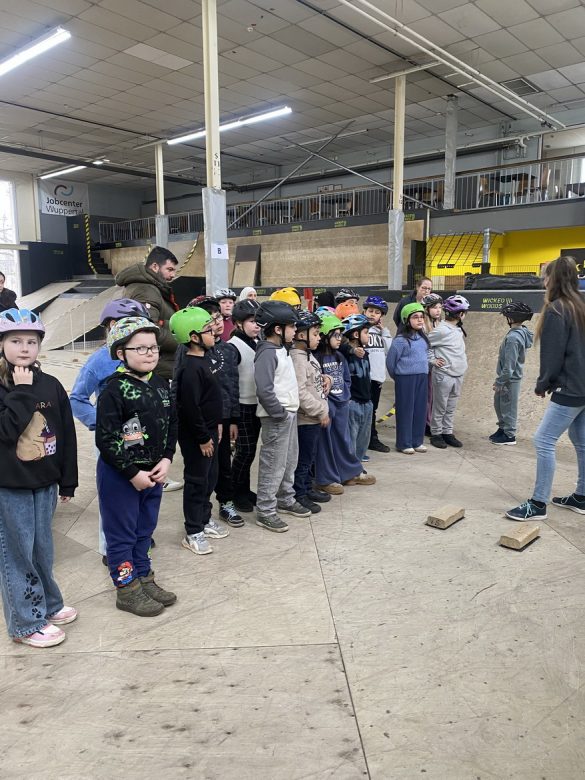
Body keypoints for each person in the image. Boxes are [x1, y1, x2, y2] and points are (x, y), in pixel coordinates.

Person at [0, 308, 78, 648]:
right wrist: (20, 392)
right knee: (17, 554)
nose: (24, 348)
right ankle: (26, 622)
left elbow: (65, 434)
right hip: (10, 485)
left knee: (43, 550)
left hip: (44, 482)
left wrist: (68, 479)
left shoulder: (51, 384)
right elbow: (5, 432)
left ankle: (48, 604)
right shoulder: (7, 388)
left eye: (31, 341)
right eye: (15, 341)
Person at [96, 316, 177, 616]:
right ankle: (127, 589)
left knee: (145, 529)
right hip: (121, 476)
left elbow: (172, 423)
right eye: (140, 348)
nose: (150, 353)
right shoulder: (113, 390)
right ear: (121, 353)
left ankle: (144, 576)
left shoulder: (159, 383)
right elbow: (106, 438)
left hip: (154, 472)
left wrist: (167, 459)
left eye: (153, 347)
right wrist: (132, 473)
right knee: (122, 534)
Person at [70, 298, 152, 563]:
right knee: (114, 491)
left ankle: (138, 534)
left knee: (140, 483)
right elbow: (77, 398)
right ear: (112, 326)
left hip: (138, 433)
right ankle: (110, 547)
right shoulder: (98, 361)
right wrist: (101, 423)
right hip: (110, 436)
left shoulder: (140, 357)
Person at [506, 256, 585, 521]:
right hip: (583, 386)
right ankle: (582, 496)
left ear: (555, 279)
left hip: (570, 388)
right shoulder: (581, 304)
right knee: (581, 441)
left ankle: (538, 504)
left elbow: (552, 355)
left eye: (545, 276)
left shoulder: (557, 309)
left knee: (543, 440)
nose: (543, 280)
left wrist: (543, 384)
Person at [173, 296, 241, 527]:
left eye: (218, 319)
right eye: (209, 323)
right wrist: (200, 434)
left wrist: (231, 419)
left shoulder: (226, 351)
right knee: (199, 475)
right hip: (199, 427)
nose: (216, 325)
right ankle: (196, 524)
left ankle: (215, 510)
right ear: (194, 335)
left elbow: (231, 386)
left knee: (219, 469)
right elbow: (186, 400)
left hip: (218, 423)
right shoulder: (190, 361)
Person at [171, 307, 228, 553]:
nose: (214, 331)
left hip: (210, 431)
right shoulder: (190, 369)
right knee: (196, 480)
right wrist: (204, 437)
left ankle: (204, 520)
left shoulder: (203, 360)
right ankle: (193, 530)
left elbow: (209, 400)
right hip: (197, 435)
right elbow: (190, 409)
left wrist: (217, 426)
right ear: (193, 337)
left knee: (210, 477)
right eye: (207, 329)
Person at [254, 300, 310, 532]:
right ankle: (265, 510)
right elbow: (264, 388)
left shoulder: (281, 350)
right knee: (273, 465)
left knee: (289, 461)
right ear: (278, 329)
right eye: (291, 326)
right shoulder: (267, 353)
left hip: (289, 414)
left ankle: (285, 498)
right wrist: (278, 413)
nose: (295, 331)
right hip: (277, 417)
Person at [314, 313, 375, 493]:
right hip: (327, 407)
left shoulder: (340, 356)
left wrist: (345, 396)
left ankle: (349, 473)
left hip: (342, 405)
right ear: (325, 337)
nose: (340, 339)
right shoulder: (316, 358)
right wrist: (326, 404)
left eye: (341, 335)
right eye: (336, 335)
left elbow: (346, 379)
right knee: (326, 445)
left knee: (344, 441)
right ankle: (326, 479)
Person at [115, 246, 179, 381]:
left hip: (157, 366)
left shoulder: (148, 287)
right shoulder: (146, 290)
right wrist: (182, 338)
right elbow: (147, 330)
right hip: (158, 368)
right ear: (155, 267)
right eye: (170, 269)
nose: (173, 275)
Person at [290, 310, 331, 514]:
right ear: (300, 335)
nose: (319, 337)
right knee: (303, 460)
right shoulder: (297, 358)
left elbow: (312, 378)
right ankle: (299, 493)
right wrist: (321, 410)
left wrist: (326, 378)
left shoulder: (308, 355)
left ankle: (307, 488)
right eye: (315, 333)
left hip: (313, 419)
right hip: (305, 419)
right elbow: (299, 393)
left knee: (310, 457)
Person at [229, 298, 261, 514]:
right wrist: (232, 419)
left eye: (258, 321)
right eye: (251, 321)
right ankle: (234, 492)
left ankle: (244, 489)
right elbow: (229, 385)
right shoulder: (232, 347)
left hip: (256, 406)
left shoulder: (258, 343)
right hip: (241, 408)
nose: (256, 325)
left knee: (249, 453)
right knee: (244, 452)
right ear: (239, 323)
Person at [427, 295, 469, 449]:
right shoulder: (441, 330)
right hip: (444, 374)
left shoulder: (457, 328)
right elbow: (426, 345)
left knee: (451, 406)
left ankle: (447, 432)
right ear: (460, 314)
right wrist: (433, 360)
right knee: (440, 406)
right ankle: (436, 433)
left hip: (458, 373)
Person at [386, 303, 429, 454]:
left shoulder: (423, 339)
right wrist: (399, 377)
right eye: (415, 317)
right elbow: (391, 363)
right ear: (406, 319)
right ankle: (404, 443)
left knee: (420, 410)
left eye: (421, 317)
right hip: (405, 379)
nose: (420, 320)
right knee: (405, 410)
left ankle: (417, 441)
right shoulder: (400, 341)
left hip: (422, 378)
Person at [491, 301, 534, 446]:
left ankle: (509, 435)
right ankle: (502, 428)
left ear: (511, 318)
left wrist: (500, 381)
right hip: (507, 378)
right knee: (499, 404)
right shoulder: (519, 332)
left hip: (509, 379)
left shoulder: (513, 338)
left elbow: (509, 366)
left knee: (508, 407)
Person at [339, 313, 373, 463]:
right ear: (355, 334)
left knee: (363, 437)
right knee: (351, 437)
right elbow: (341, 346)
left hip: (367, 401)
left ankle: (358, 461)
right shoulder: (345, 353)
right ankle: (350, 465)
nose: (369, 336)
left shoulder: (364, 353)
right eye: (366, 332)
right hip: (353, 402)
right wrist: (352, 350)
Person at [363, 295, 391, 453]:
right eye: (370, 311)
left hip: (377, 377)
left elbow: (390, 350)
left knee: (372, 409)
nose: (373, 314)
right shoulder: (361, 329)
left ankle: (371, 438)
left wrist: (385, 332)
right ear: (364, 311)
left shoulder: (382, 333)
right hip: (364, 377)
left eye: (377, 312)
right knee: (363, 409)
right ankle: (366, 437)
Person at [421, 293, 444, 435]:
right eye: (435, 307)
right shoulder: (423, 324)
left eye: (440, 307)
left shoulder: (440, 324)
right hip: (427, 366)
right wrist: (431, 361)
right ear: (427, 309)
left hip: (438, 367)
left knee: (435, 396)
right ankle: (426, 424)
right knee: (427, 396)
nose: (438, 310)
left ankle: (433, 422)